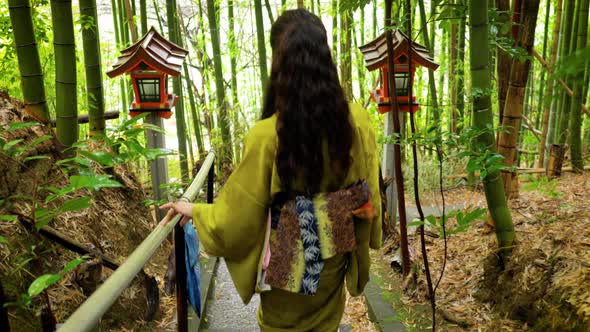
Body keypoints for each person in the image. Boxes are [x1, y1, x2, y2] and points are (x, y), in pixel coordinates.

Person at [160, 9, 382, 331]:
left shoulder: (268, 135)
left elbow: (237, 219)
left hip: (288, 268)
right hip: (335, 256)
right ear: (325, 59)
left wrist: (196, 210)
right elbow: (369, 192)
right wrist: (366, 238)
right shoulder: (358, 120)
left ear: (279, 64)